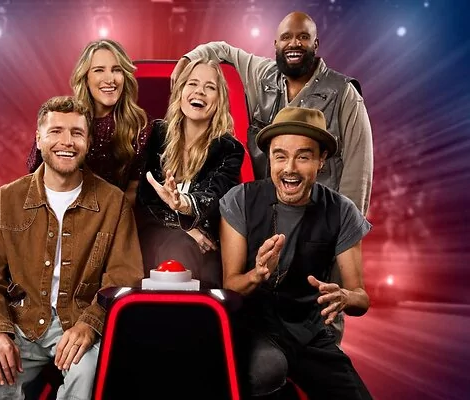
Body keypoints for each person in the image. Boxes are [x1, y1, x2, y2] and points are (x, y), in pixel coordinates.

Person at [172, 10, 373, 342]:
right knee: (258, 309)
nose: (294, 44)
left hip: (318, 220)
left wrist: (341, 233)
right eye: (287, 38)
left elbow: (358, 173)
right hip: (264, 216)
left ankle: (321, 356)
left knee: (321, 312)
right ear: (275, 44)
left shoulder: (344, 93)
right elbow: (222, 49)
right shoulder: (262, 73)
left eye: (303, 37)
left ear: (316, 44)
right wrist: (189, 59)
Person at [0, 96, 144, 400]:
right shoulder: (6, 199)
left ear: (88, 141)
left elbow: (124, 278)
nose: (67, 142)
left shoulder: (113, 203)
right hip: (21, 323)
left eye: (76, 133)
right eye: (56, 131)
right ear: (39, 138)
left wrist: (90, 325)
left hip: (80, 322)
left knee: (87, 375)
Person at [219, 107, 372, 399]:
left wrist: (344, 297)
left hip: (310, 334)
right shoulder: (239, 200)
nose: (289, 168)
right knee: (265, 370)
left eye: (303, 157)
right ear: (270, 158)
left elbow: (361, 298)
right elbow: (231, 285)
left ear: (321, 160)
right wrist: (257, 274)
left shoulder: (342, 211)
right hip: (256, 329)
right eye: (280, 156)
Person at [135, 58, 245, 289]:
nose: (200, 92)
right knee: (180, 246)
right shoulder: (157, 134)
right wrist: (184, 227)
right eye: (192, 83)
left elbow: (215, 196)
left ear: (219, 99)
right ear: (180, 91)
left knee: (209, 270)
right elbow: (145, 201)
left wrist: (184, 205)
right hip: (155, 231)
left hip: (204, 240)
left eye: (210, 87)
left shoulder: (229, 148)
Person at [27, 39, 151, 205]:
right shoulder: (64, 116)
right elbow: (35, 173)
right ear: (85, 78)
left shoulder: (140, 125)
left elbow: (134, 191)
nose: (110, 79)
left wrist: (102, 216)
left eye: (117, 70)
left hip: (115, 212)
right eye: (99, 70)